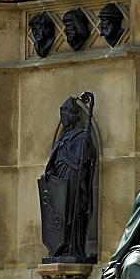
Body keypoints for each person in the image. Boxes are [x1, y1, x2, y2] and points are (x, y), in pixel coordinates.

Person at [39, 96, 96, 261]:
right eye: (61, 116)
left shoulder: (81, 135)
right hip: (60, 183)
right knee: (59, 215)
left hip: (73, 180)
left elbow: (85, 159)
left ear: (72, 117)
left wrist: (85, 147)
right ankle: (59, 249)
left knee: (73, 213)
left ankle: (74, 248)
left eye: (64, 116)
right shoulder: (62, 138)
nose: (62, 120)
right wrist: (49, 175)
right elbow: (54, 161)